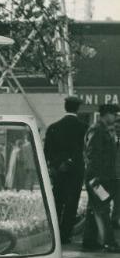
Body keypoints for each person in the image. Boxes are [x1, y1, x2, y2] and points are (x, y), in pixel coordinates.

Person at [44, 95, 87, 243]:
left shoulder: (53, 127)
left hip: (59, 172)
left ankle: (54, 233)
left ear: (65, 108)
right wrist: (71, 161)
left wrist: (58, 164)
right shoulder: (84, 127)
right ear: (78, 109)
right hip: (76, 171)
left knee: (57, 201)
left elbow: (47, 152)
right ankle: (65, 235)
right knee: (71, 203)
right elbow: (85, 150)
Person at [82, 103, 120, 252]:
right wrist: (95, 178)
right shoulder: (97, 130)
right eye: (114, 114)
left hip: (100, 177)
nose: (116, 117)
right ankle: (109, 243)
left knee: (94, 208)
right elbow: (92, 155)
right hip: (96, 178)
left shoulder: (103, 130)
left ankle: (89, 241)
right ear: (106, 114)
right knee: (102, 209)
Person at [111, 117, 120, 229]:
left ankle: (114, 219)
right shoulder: (108, 140)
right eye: (116, 127)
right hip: (107, 175)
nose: (118, 129)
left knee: (118, 200)